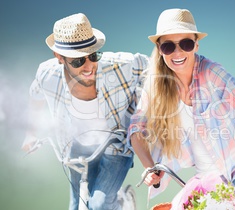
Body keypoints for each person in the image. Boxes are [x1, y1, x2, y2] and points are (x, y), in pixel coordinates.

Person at [128, 8, 235, 210]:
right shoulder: (156, 84)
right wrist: (149, 167)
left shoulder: (211, 74)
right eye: (169, 46)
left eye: (186, 44)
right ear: (160, 49)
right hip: (207, 179)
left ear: (196, 44)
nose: (177, 53)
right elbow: (136, 129)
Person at [21, 13, 148, 210]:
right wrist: (30, 134)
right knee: (75, 205)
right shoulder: (47, 74)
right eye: (78, 61)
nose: (89, 66)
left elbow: (154, 68)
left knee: (98, 205)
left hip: (116, 142)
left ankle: (123, 202)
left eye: (93, 55)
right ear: (60, 57)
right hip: (77, 147)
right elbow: (35, 95)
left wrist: (141, 108)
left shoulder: (119, 66)